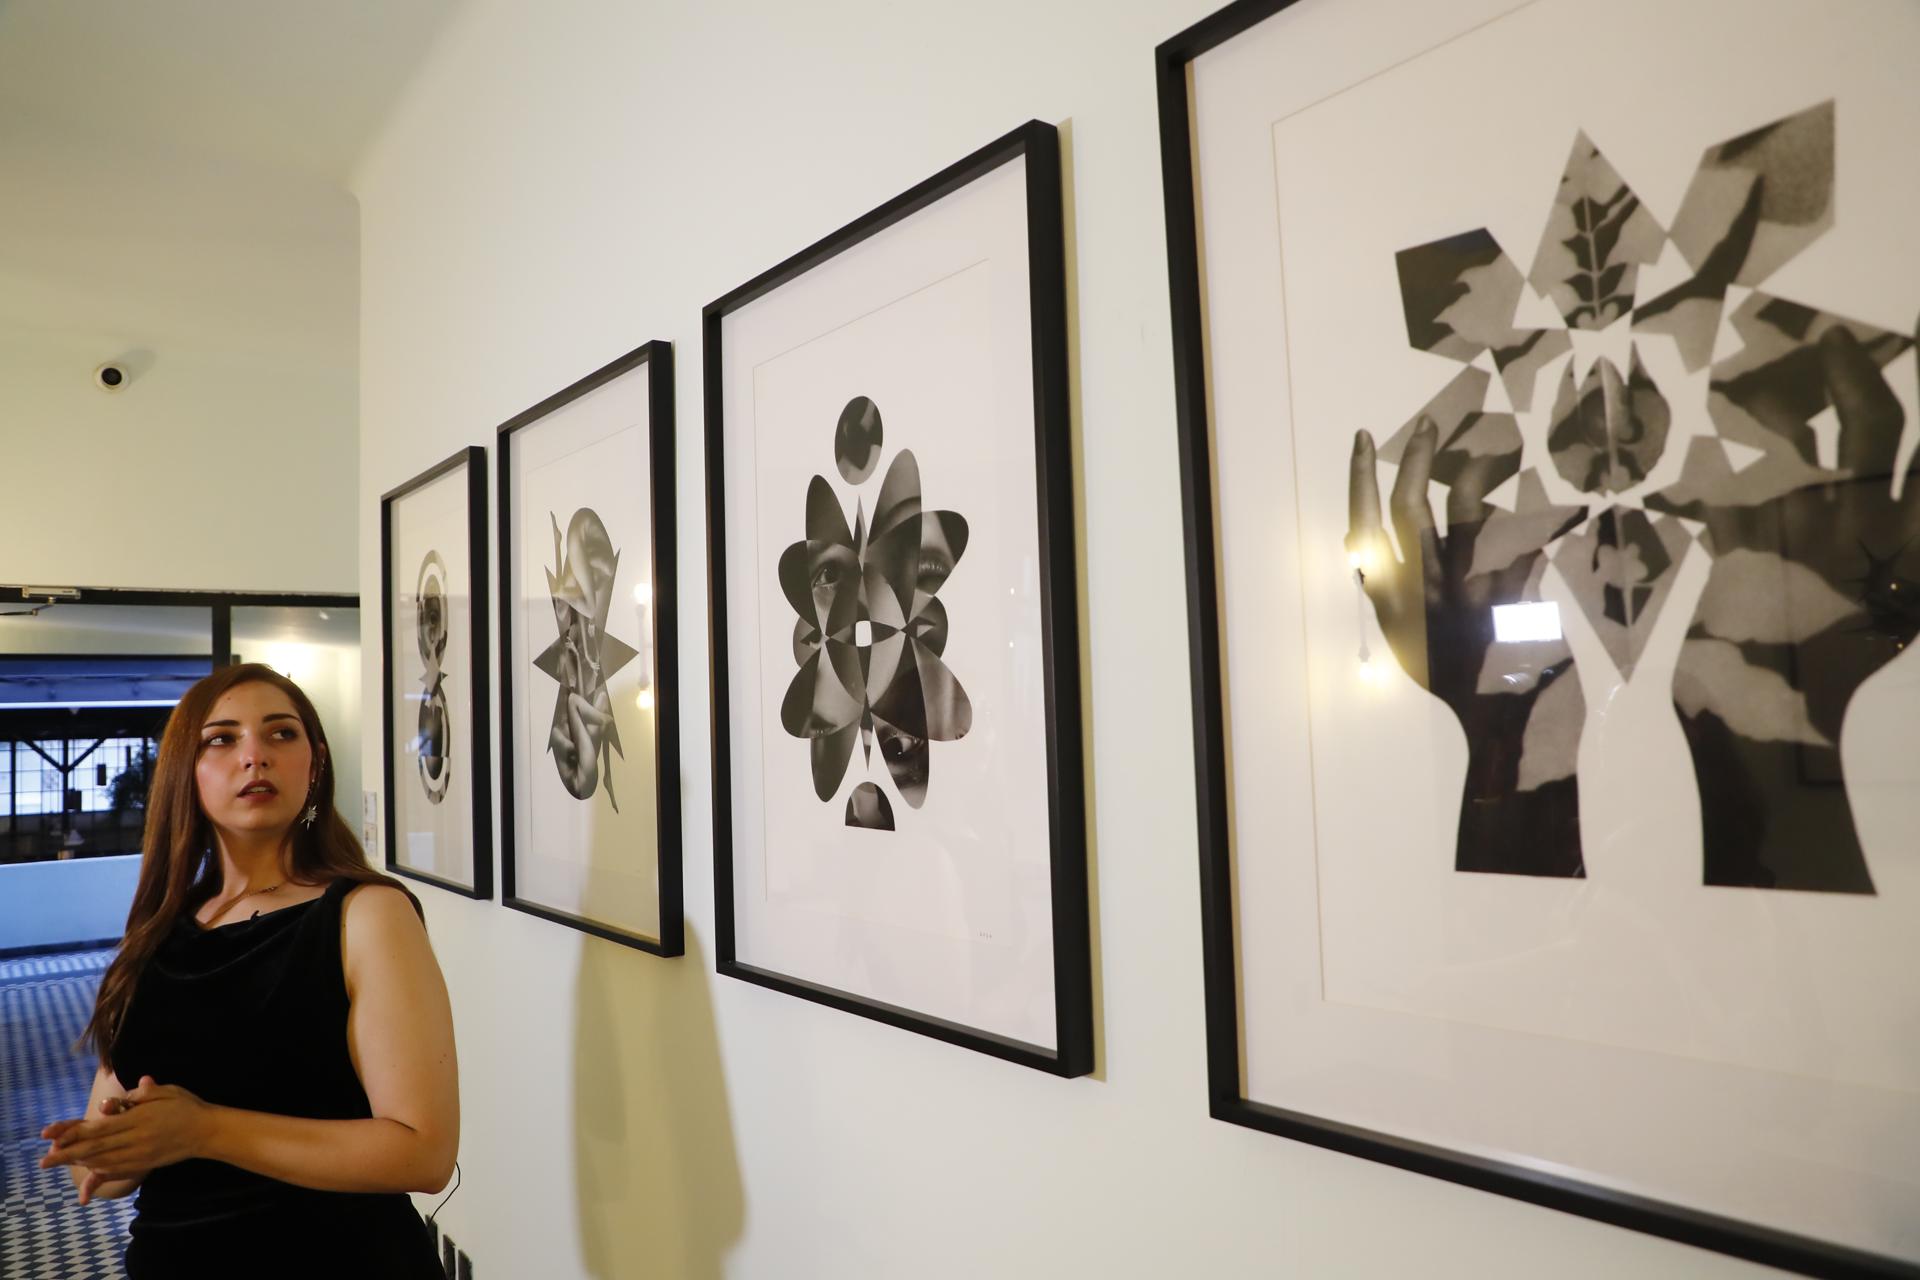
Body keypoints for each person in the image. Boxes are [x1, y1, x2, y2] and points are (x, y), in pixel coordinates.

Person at [38, 663, 457, 1278]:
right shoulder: (159, 933)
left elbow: (424, 1153)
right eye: (222, 738)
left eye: (280, 734)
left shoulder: (365, 914)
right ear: (189, 772)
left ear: (313, 765)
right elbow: (98, 1175)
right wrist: (113, 1146)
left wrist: (204, 1130)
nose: (254, 755)